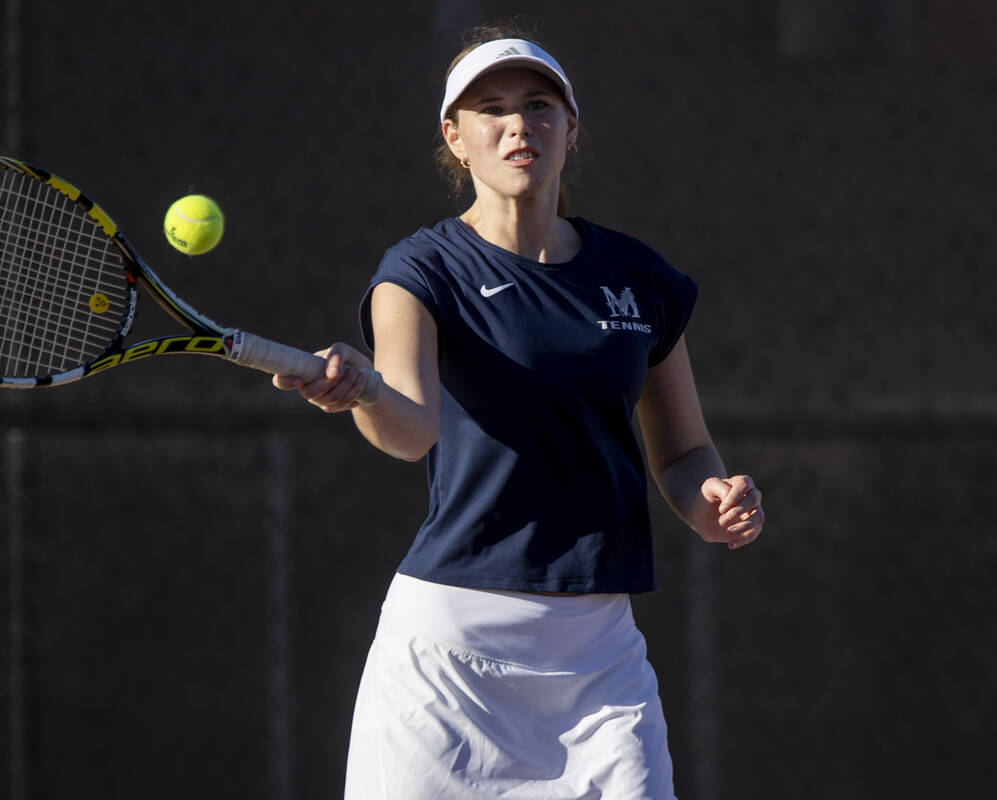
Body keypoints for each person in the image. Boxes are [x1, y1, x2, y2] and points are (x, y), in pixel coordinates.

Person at [272, 23, 764, 800]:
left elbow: (683, 453)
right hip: (447, 661)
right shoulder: (421, 270)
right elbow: (409, 428)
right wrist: (363, 390)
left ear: (570, 127)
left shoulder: (637, 277)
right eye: (490, 109)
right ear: (455, 138)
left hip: (600, 659)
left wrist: (710, 501)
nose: (517, 126)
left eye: (538, 105)